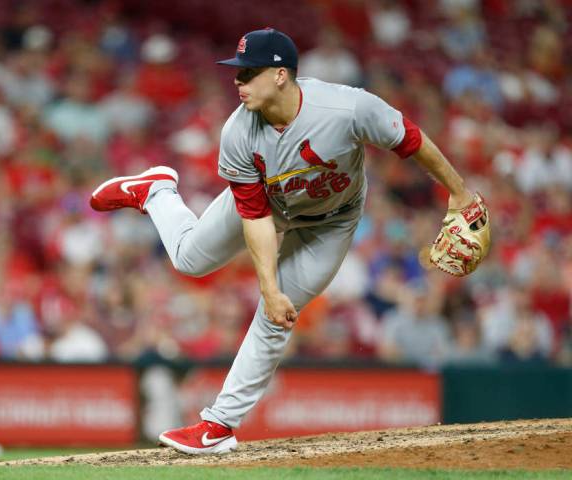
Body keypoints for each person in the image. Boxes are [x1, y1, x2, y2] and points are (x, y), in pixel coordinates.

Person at [89, 28, 477, 454]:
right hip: (270, 204)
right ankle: (158, 190)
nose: (238, 83)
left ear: (279, 75)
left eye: (248, 73)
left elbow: (412, 140)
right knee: (187, 259)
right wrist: (268, 287)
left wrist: (459, 192)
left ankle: (218, 426)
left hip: (331, 221)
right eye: (236, 74)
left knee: (277, 319)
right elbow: (254, 217)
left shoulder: (347, 107)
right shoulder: (238, 132)